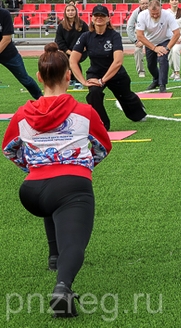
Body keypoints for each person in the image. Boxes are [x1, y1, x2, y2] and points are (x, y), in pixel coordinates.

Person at [2, 43, 113, 318]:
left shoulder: (22, 114)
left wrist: (34, 167)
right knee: (74, 241)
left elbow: (9, 148)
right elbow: (103, 146)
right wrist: (83, 167)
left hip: (31, 191)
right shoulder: (84, 112)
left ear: (39, 77)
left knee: (56, 199)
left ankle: (54, 255)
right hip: (71, 185)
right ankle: (63, 288)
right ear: (68, 76)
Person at [71, 5, 148, 129]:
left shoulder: (114, 36)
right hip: (95, 74)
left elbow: (118, 61)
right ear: (92, 18)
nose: (99, 18)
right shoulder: (86, 36)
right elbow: (73, 61)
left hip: (116, 73)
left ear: (108, 19)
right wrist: (84, 82)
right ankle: (102, 124)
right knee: (94, 94)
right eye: (96, 16)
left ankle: (137, 108)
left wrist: (103, 80)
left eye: (102, 16)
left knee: (126, 98)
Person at [135, 0, 180, 93]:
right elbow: (139, 35)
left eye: (157, 13)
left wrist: (167, 48)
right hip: (150, 42)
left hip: (164, 40)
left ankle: (162, 84)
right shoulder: (142, 15)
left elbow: (177, 33)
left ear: (161, 9)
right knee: (150, 65)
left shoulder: (168, 15)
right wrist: (154, 48)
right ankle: (156, 79)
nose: (155, 15)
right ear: (148, 11)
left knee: (163, 60)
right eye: (153, 14)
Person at [0, 7, 43, 100]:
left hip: (9, 54)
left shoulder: (4, 14)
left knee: (25, 80)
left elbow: (7, 38)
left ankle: (42, 100)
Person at [55, 3, 88, 89]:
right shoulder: (61, 26)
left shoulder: (82, 24)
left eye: (72, 10)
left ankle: (79, 81)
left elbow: (88, 36)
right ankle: (72, 79)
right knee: (68, 59)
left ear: (76, 12)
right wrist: (68, 51)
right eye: (68, 10)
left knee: (74, 60)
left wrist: (84, 48)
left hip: (81, 51)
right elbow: (59, 41)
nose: (70, 12)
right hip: (66, 50)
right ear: (65, 12)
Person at [126, 0, 149, 78]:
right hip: (141, 36)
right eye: (143, 3)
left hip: (153, 36)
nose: (145, 5)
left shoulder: (154, 11)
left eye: (146, 3)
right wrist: (135, 41)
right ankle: (141, 72)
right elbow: (129, 27)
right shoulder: (136, 13)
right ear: (139, 4)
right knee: (137, 50)